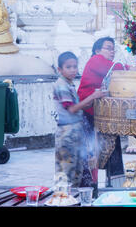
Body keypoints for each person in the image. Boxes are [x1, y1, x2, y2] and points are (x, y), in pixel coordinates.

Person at [77, 37, 128, 185]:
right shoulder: (96, 60)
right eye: (108, 48)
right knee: (89, 151)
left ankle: (115, 184)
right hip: (87, 113)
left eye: (113, 49)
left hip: (100, 112)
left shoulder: (105, 64)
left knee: (112, 142)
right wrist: (131, 68)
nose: (112, 51)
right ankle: (87, 188)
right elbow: (117, 69)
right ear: (97, 50)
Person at [52, 51, 105, 187]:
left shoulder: (69, 84)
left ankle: (73, 199)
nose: (72, 70)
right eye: (68, 67)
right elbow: (72, 109)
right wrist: (92, 96)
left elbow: (80, 107)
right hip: (67, 132)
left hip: (75, 131)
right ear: (60, 69)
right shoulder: (61, 85)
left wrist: (96, 97)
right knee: (65, 172)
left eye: (75, 66)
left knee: (76, 171)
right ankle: (62, 199)